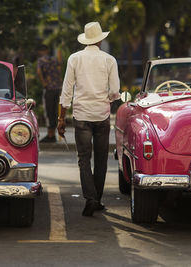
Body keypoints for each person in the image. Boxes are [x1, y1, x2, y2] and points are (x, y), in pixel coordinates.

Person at [57, 22, 120, 216]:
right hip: (101, 115)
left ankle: (90, 198)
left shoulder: (74, 58)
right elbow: (115, 91)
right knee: (101, 159)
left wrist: (61, 119)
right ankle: (96, 199)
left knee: (83, 158)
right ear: (100, 39)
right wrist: (107, 99)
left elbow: (67, 90)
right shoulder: (109, 60)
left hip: (81, 115)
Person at [37, 44, 63, 143]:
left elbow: (39, 71)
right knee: (55, 112)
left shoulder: (41, 60)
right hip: (57, 88)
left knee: (48, 112)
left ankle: (50, 135)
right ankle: (53, 135)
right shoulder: (54, 59)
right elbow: (60, 66)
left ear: (40, 51)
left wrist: (44, 82)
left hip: (49, 88)